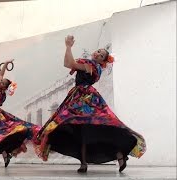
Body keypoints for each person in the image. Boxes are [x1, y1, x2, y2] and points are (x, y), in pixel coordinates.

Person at [35, 35, 146, 173]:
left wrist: (69, 46)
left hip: (85, 98)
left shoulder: (93, 66)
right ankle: (109, 156)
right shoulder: (90, 64)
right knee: (84, 131)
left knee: (91, 129)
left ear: (102, 61)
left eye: (101, 54)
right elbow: (67, 63)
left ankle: (100, 158)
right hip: (78, 96)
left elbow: (70, 64)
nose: (98, 53)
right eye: (99, 51)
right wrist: (68, 48)